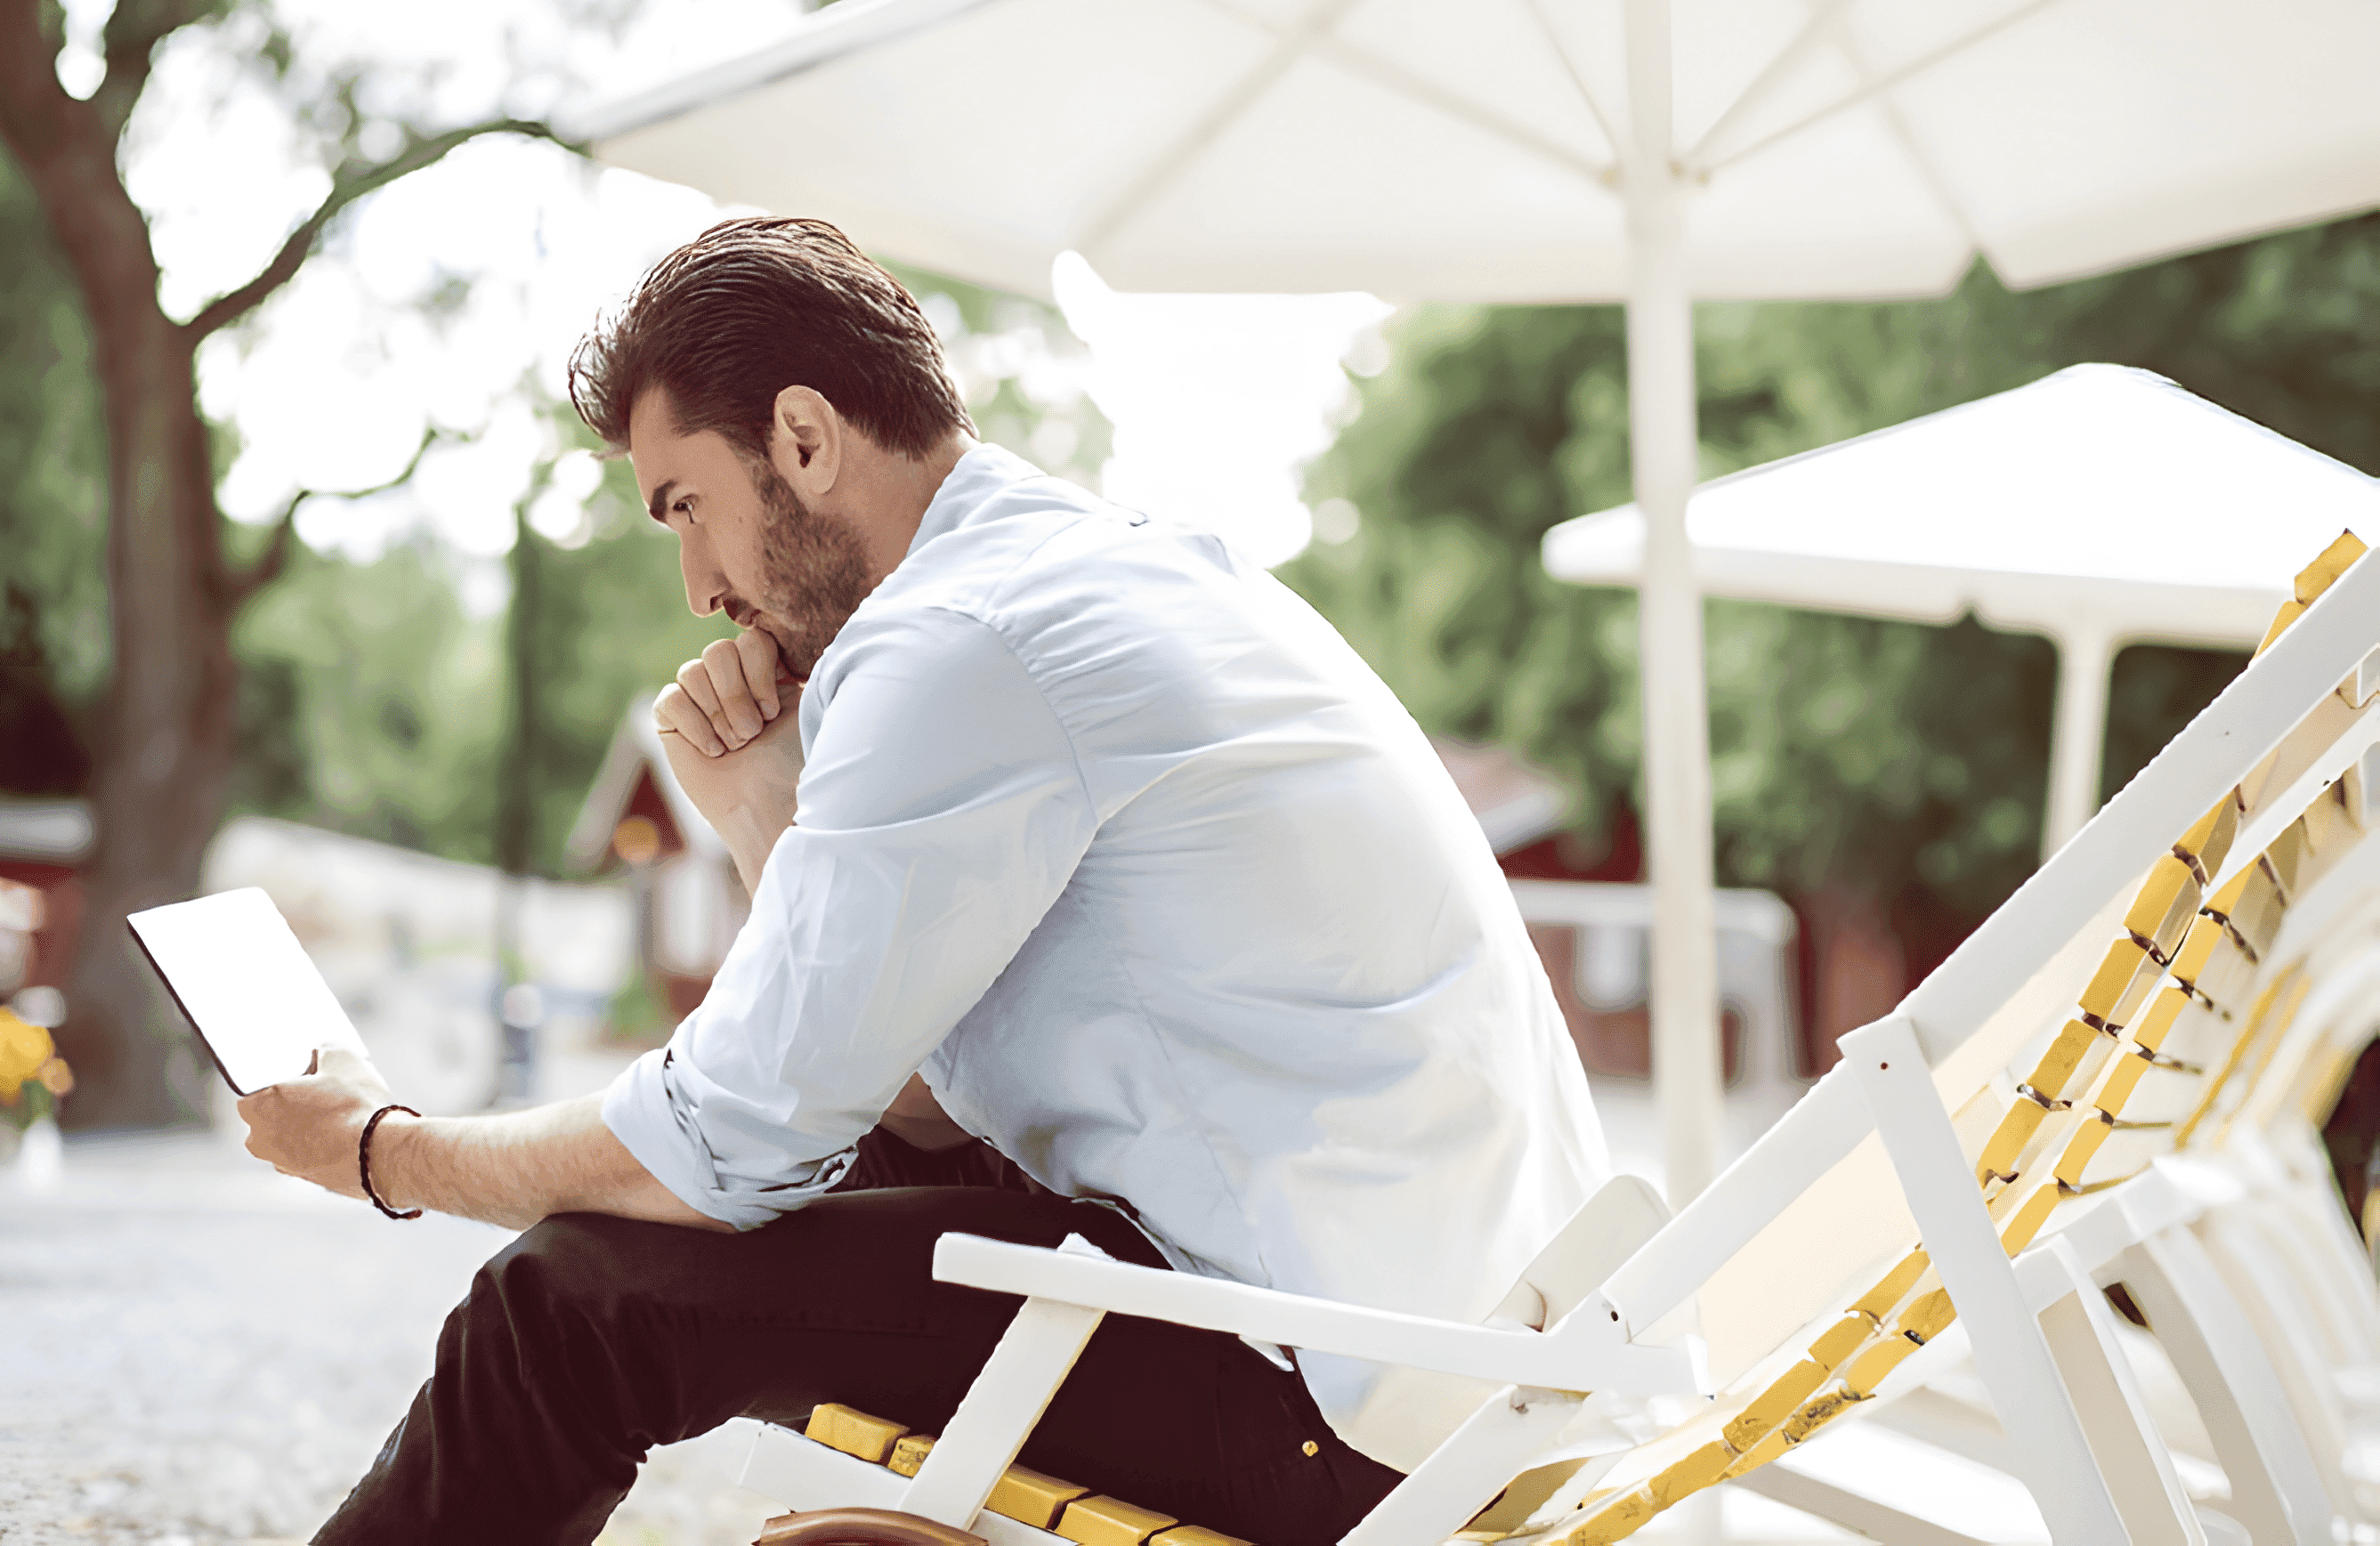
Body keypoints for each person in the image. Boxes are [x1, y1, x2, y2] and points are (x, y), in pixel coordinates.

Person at [240, 217, 1608, 1546]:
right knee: (744, 1198)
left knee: (573, 1304)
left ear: (805, 437)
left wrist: (382, 1151)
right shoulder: (1111, 568)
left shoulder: (958, 640)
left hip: (1335, 1402)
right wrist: (765, 810)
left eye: (688, 507)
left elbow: (723, 1139)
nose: (697, 585)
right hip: (1460, 1355)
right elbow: (887, 1092)